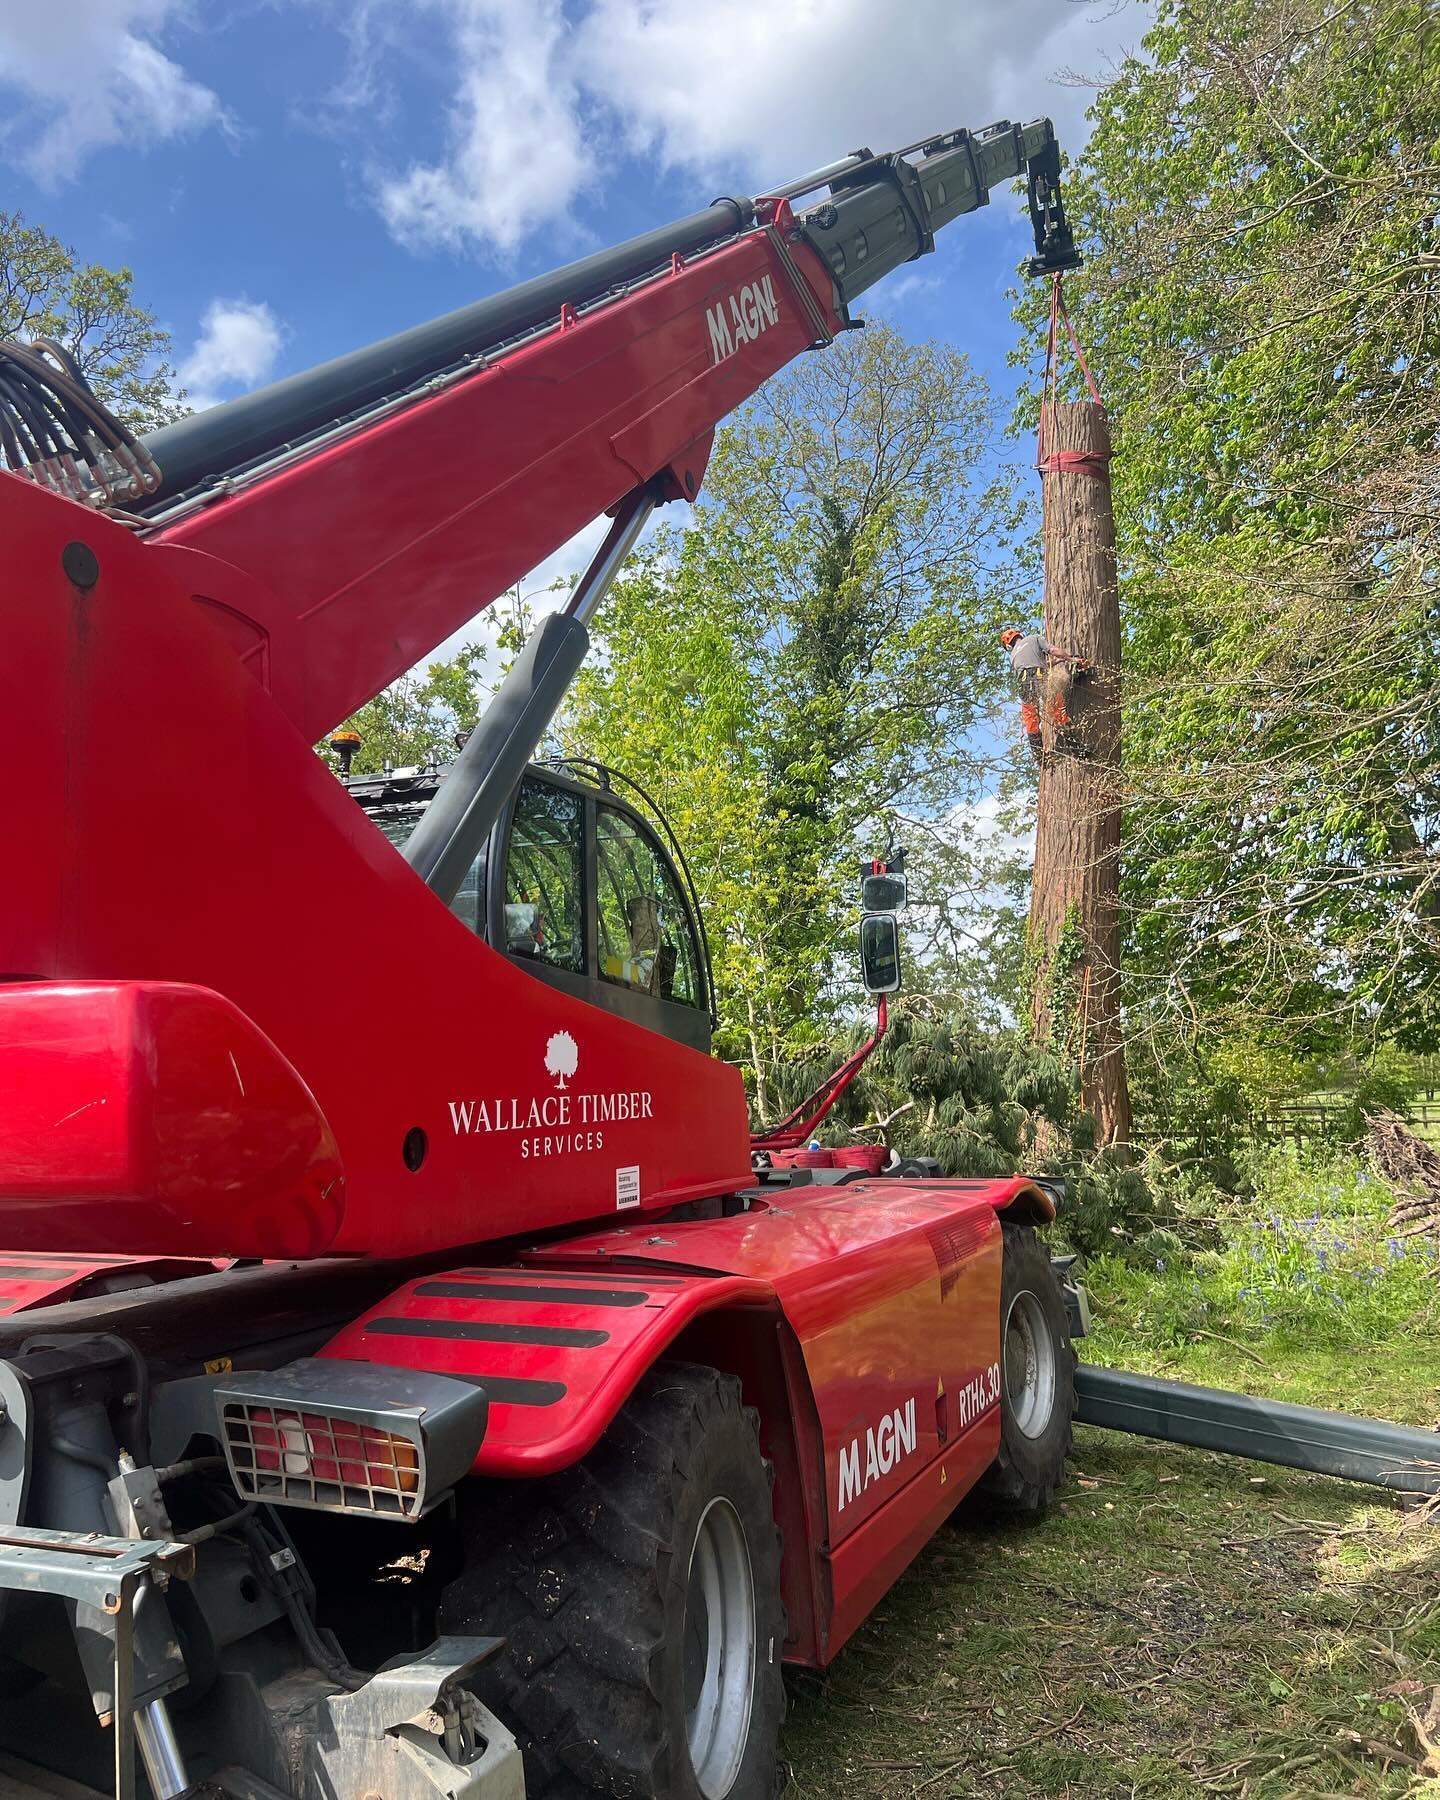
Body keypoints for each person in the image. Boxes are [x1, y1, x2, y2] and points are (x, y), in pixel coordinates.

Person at [1000, 626, 1089, 763]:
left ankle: (1039, 756)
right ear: (1019, 635)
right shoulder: (1034, 638)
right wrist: (1070, 659)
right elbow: (1052, 651)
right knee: (1057, 711)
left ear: (1009, 646)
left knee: (1031, 719)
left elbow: (1036, 664)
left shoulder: (1012, 656)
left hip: (1024, 684)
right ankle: (1078, 750)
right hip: (1040, 677)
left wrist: (1058, 661)